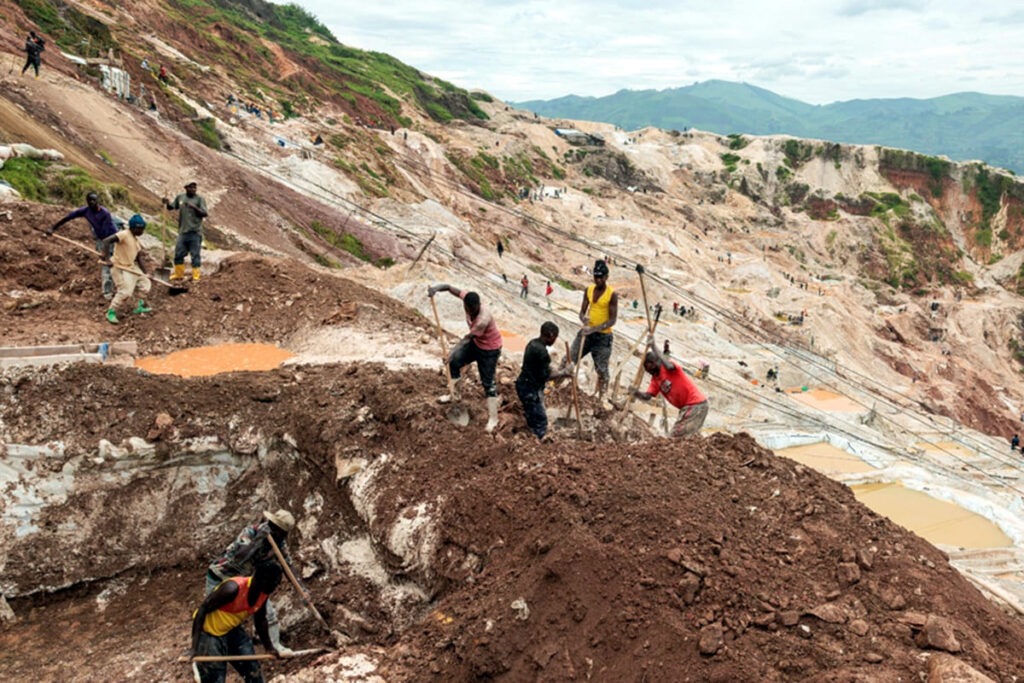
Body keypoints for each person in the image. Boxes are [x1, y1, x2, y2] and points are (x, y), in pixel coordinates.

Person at [207, 509, 296, 655]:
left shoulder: (279, 543)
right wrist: (258, 540)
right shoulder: (251, 532)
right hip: (221, 576)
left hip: (246, 582)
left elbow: (288, 565)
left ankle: (274, 646)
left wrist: (301, 588)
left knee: (267, 612)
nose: (279, 535)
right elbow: (239, 557)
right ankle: (203, 655)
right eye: (275, 529)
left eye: (282, 533)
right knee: (215, 615)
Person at [189, 559, 284, 683]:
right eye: (273, 584)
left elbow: (260, 620)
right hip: (209, 632)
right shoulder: (232, 589)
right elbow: (202, 610)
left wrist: (269, 647)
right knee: (214, 678)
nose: (275, 588)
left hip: (230, 629)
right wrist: (194, 647)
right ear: (261, 580)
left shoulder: (263, 592)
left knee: (252, 670)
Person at [427, 283, 503, 432]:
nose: (470, 311)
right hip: (477, 343)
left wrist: (451, 352)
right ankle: (455, 396)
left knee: (488, 383)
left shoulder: (482, 319)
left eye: (474, 309)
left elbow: (466, 339)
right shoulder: (467, 298)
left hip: (490, 350)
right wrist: (436, 289)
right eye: (469, 309)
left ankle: (493, 418)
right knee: (454, 363)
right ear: (466, 306)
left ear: (478, 306)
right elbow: (450, 288)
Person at [46, 191, 119, 299]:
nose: (92, 202)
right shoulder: (85, 211)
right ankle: (107, 293)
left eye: (94, 200)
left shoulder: (105, 213)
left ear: (98, 201)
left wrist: (105, 251)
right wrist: (53, 228)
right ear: (87, 202)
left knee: (114, 261)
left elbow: (107, 235)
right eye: (90, 201)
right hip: (100, 239)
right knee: (106, 265)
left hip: (113, 237)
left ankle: (121, 286)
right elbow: (68, 217)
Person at [634, 336, 709, 438]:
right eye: (646, 368)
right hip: (689, 407)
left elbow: (668, 365)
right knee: (687, 438)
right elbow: (647, 396)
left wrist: (653, 346)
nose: (649, 370)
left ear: (656, 362)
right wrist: (635, 393)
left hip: (695, 405)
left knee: (674, 437)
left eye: (650, 365)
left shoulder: (668, 367)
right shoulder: (655, 380)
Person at [569, 260, 618, 397]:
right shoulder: (589, 290)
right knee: (569, 359)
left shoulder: (611, 295)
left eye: (601, 277)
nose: (598, 280)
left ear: (606, 277)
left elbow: (612, 320)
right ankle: (556, 385)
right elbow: (582, 312)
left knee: (601, 370)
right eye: (596, 277)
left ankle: (602, 397)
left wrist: (594, 329)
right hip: (586, 333)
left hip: (603, 338)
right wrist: (583, 319)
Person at [516, 322, 572, 440]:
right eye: (555, 337)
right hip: (530, 389)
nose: (555, 340)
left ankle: (531, 429)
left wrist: (557, 370)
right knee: (541, 421)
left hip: (524, 384)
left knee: (532, 413)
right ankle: (537, 441)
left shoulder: (532, 343)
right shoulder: (542, 352)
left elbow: (541, 367)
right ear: (551, 336)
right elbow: (546, 376)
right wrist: (564, 372)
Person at [100, 214, 152, 324]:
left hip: (130, 267)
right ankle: (111, 312)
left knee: (145, 284)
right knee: (125, 292)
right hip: (119, 267)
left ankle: (138, 306)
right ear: (133, 228)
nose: (142, 232)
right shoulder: (124, 234)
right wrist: (107, 259)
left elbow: (138, 258)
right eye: (141, 229)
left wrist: (146, 273)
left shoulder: (135, 240)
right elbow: (106, 241)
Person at [164, 181, 209, 282]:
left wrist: (194, 207)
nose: (193, 189)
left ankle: (196, 276)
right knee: (178, 254)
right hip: (183, 232)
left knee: (195, 255)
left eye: (194, 188)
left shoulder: (200, 199)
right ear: (186, 188)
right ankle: (178, 274)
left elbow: (205, 213)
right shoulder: (180, 197)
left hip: (195, 232)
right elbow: (172, 207)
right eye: (191, 187)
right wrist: (167, 203)